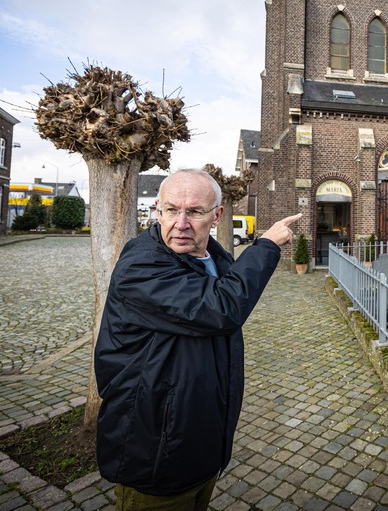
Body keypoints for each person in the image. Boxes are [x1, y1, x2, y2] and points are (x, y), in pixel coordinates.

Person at [94, 168, 302, 510]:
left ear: (216, 215)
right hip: (155, 455)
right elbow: (222, 308)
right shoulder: (141, 266)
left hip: (200, 448)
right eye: (172, 210)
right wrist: (265, 246)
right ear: (158, 210)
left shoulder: (214, 258)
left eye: (194, 211)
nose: (180, 222)